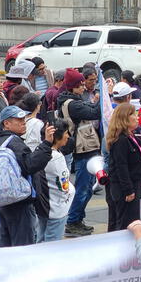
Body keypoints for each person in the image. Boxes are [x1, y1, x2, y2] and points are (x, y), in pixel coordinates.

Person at [0, 105, 54, 247]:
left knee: (6, 243)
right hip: (19, 202)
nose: (23, 122)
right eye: (18, 120)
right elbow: (30, 165)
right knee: (23, 246)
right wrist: (46, 144)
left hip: (2, 200)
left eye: (23, 119)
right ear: (6, 123)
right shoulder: (14, 142)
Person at [57, 69, 102, 237]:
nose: (84, 87)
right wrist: (104, 96)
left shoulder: (74, 100)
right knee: (83, 188)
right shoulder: (73, 104)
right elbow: (94, 112)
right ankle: (73, 221)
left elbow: (90, 108)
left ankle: (78, 219)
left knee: (88, 187)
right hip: (82, 148)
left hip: (86, 146)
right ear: (72, 87)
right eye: (80, 84)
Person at [107, 103, 141, 231]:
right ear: (124, 119)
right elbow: (121, 167)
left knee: (132, 220)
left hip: (134, 183)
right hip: (125, 188)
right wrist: (128, 190)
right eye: (133, 115)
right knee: (126, 223)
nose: (137, 117)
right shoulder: (121, 140)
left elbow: (137, 153)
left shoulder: (130, 136)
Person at [34, 118, 75, 243]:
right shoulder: (56, 158)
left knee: (41, 239)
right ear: (56, 136)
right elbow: (63, 186)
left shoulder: (40, 150)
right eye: (66, 133)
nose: (68, 136)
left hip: (43, 205)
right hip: (55, 207)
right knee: (52, 244)